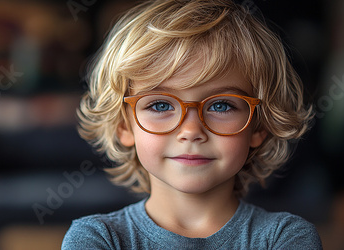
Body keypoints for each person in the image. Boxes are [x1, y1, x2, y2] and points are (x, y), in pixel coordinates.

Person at [62, 0, 323, 248]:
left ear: (259, 125)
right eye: (160, 105)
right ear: (124, 125)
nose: (191, 131)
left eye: (221, 106)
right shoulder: (97, 239)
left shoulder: (286, 238)